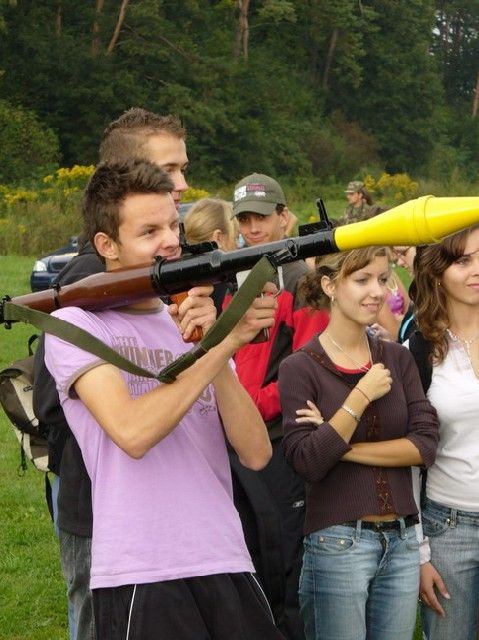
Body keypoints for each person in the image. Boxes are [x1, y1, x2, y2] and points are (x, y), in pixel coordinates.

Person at [43, 158, 285, 640]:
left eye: (173, 225)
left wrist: (214, 343)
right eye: (149, 231)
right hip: (141, 571)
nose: (171, 241)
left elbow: (256, 452)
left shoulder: (190, 318)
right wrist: (224, 346)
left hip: (227, 556)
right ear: (107, 246)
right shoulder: (76, 324)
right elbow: (133, 432)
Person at [33, 107, 190, 640]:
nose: (181, 185)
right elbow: (52, 403)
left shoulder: (150, 274)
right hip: (98, 505)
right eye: (168, 171)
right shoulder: (87, 282)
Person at [278, 246, 439, 640]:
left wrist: (338, 443)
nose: (377, 291)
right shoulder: (299, 367)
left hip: (403, 541)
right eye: (362, 279)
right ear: (330, 285)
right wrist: (360, 397)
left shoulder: (398, 359)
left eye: (382, 279)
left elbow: (424, 446)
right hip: (337, 542)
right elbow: (308, 461)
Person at [226, 172, 329, 640]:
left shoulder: (302, 281)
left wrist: (248, 405)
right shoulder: (236, 275)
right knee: (249, 553)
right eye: (245, 218)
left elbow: (306, 370)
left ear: (284, 217)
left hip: (280, 442)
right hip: (236, 440)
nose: (253, 227)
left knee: (285, 560)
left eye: (262, 217)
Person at [408, 225, 479, 640]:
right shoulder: (418, 350)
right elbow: (410, 459)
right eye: (463, 260)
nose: (477, 270)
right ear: (437, 273)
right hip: (449, 528)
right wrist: (419, 553)